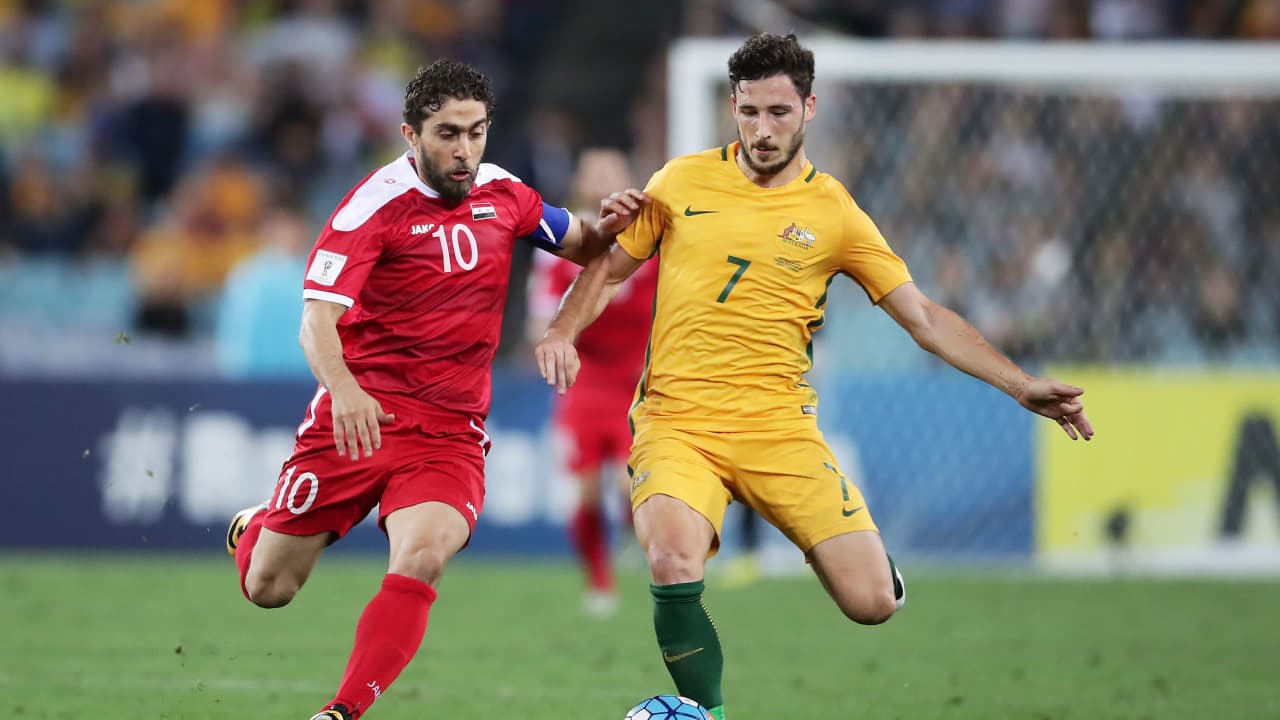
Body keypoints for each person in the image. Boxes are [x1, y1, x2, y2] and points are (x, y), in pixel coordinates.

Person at [534, 33, 1094, 720]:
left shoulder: (834, 212)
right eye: (749, 113)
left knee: (872, 604)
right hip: (678, 423)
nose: (762, 130)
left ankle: (867, 565)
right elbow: (607, 271)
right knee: (672, 560)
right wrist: (560, 331)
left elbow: (922, 317)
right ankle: (706, 713)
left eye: (778, 112)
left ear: (809, 108)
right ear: (733, 109)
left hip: (779, 431)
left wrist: (1020, 385)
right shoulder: (678, 183)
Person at [224, 59, 647, 720]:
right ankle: (255, 526)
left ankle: (340, 712)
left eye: (477, 132)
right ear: (410, 134)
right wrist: (345, 389)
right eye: (448, 134)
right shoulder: (373, 207)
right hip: (359, 415)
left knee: (422, 558)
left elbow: (592, 249)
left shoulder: (505, 194)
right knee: (269, 587)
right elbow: (315, 321)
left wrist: (609, 233)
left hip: (449, 432)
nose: (465, 150)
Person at [526, 148, 660, 617]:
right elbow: (540, 319)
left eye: (612, 171)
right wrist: (551, 337)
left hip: (638, 382)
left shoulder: (653, 237)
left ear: (629, 178)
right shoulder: (563, 245)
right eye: (594, 173)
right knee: (583, 491)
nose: (603, 180)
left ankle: (630, 541)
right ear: (580, 183)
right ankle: (599, 581)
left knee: (630, 486)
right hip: (584, 381)